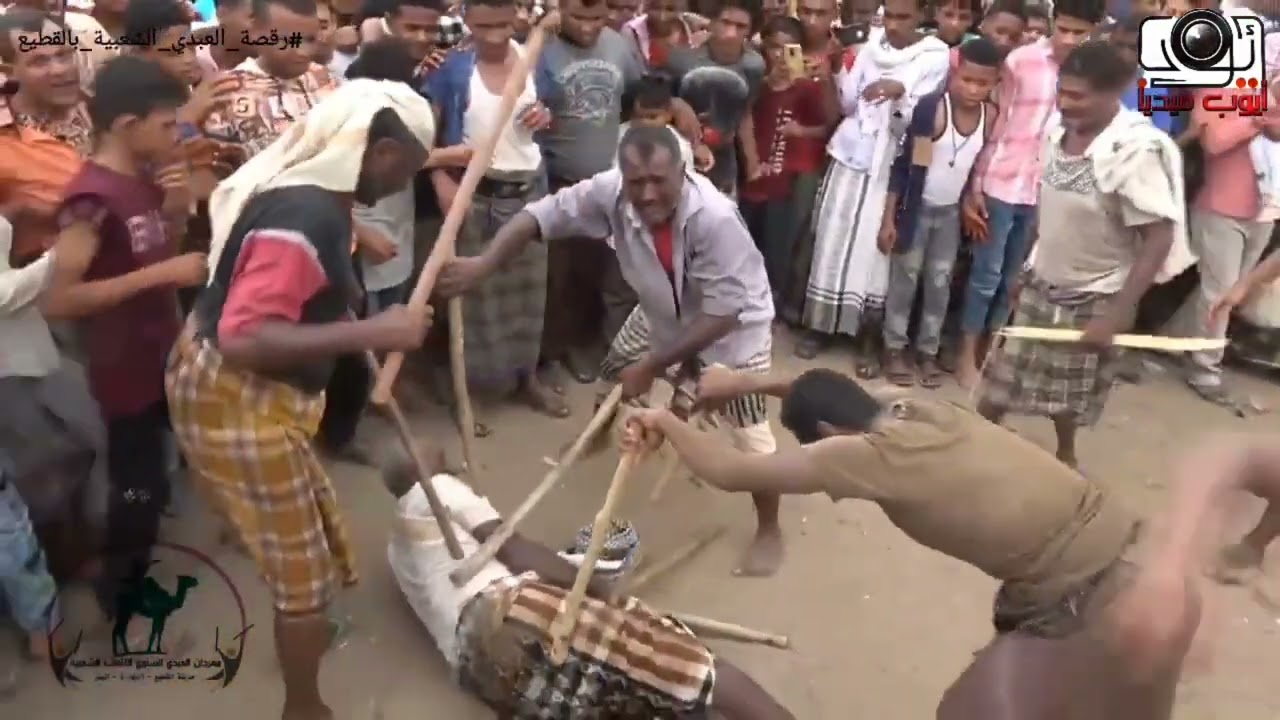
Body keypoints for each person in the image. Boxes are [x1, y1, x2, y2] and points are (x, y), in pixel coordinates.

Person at [625, 364, 1219, 719]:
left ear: (828, 436)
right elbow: (829, 385)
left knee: (966, 713)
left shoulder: (866, 455)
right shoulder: (910, 406)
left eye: (813, 443)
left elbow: (731, 474)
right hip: (1141, 552)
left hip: (1083, 590)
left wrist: (666, 420)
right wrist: (744, 383)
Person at [165, 81, 436, 720]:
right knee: (303, 580)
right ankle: (304, 706)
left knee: (294, 523)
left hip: (245, 394)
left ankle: (276, 569)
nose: (405, 183)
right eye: (411, 167)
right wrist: (376, 330)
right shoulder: (308, 214)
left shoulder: (316, 192)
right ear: (386, 152)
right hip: (241, 399)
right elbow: (243, 335)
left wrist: (349, 249)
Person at [437, 126, 786, 578]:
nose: (645, 193)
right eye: (635, 181)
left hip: (733, 328)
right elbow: (539, 216)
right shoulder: (611, 191)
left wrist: (660, 366)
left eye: (658, 180)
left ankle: (770, 527)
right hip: (663, 309)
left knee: (751, 435)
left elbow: (723, 313)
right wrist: (483, 264)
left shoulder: (714, 219)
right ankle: (602, 432)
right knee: (618, 368)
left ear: (685, 172)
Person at [381, 450, 795, 718]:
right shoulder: (437, 488)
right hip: (510, 610)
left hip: (471, 661)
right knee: (697, 667)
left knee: (609, 694)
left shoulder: (395, 551)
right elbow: (518, 553)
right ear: (420, 465)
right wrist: (600, 592)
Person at [39, 56, 204, 618]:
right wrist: (164, 276)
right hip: (121, 374)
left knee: (153, 478)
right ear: (127, 126)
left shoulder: (145, 181)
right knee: (135, 491)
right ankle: (122, 605)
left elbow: (156, 251)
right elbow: (58, 298)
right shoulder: (90, 199)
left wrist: (178, 213)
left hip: (158, 355)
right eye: (167, 125)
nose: (175, 135)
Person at [980, 41, 1188, 469]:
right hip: (1044, 279)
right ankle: (978, 440)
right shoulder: (1058, 133)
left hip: (1094, 293)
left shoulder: (1134, 152)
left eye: (1077, 96)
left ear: (1116, 93)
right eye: (1062, 91)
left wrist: (1118, 311)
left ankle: (1065, 454)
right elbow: (1048, 207)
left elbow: (1158, 237)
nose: (1064, 104)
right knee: (1002, 379)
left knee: (1068, 394)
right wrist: (1025, 267)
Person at [423, 0, 566, 421]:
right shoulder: (451, 70)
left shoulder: (535, 58)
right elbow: (427, 135)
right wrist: (440, 179)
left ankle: (526, 380)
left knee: (529, 293)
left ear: (517, 19)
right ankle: (471, 392)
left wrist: (545, 115)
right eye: (483, 26)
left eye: (503, 25)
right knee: (474, 299)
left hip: (529, 191)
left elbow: (551, 109)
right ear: (467, 22)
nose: (494, 35)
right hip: (476, 193)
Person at [795, 0, 949, 371]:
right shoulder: (869, 48)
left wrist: (899, 91)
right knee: (832, 240)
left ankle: (867, 335)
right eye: (890, 16)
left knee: (874, 251)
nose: (894, 25)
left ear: (920, 17)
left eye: (903, 17)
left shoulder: (934, 54)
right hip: (851, 156)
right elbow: (850, 105)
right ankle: (822, 325)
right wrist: (833, 71)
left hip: (890, 166)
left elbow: (920, 120)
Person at [957, 0, 1103, 389]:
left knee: (1013, 280)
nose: (1069, 39)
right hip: (1000, 182)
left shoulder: (1089, 76)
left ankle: (991, 353)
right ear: (1054, 23)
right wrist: (975, 185)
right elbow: (995, 124)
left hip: (1043, 190)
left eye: (1079, 33)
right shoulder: (1020, 62)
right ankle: (965, 356)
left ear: (1096, 31)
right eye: (1064, 29)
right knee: (985, 275)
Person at [878, 37, 999, 388]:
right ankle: (894, 347)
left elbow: (975, 168)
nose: (973, 89)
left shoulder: (990, 117)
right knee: (906, 280)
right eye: (967, 79)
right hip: (919, 210)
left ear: (994, 84)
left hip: (949, 215)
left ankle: (927, 352)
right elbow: (908, 167)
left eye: (983, 83)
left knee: (939, 284)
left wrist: (968, 202)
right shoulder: (934, 109)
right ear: (954, 74)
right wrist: (891, 218)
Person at [739, 15, 827, 294]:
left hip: (783, 183)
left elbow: (825, 127)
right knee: (744, 244)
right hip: (751, 178)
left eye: (789, 49)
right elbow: (742, 119)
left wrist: (801, 130)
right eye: (774, 47)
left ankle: (771, 304)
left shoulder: (807, 89)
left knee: (776, 250)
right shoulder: (754, 83)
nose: (780, 55)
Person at [662, 0, 764, 195]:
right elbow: (662, 107)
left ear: (750, 30)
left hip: (725, 159)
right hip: (683, 154)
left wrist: (752, 164)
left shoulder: (754, 65)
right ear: (712, 23)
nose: (731, 33)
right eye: (725, 23)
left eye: (740, 26)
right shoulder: (682, 60)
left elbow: (745, 113)